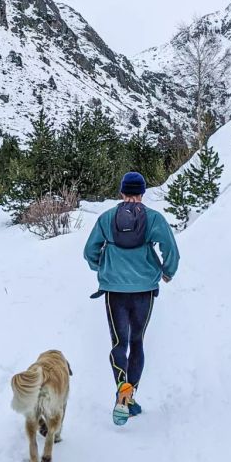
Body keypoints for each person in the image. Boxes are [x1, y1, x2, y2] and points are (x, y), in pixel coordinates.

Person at [83, 171, 180, 425]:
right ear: (143, 192)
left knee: (119, 342)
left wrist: (102, 268)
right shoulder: (153, 219)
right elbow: (171, 249)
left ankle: (120, 389)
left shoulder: (106, 219)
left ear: (122, 192)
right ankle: (129, 395)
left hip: (114, 291)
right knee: (137, 341)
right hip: (144, 290)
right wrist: (168, 272)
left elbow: (89, 251)